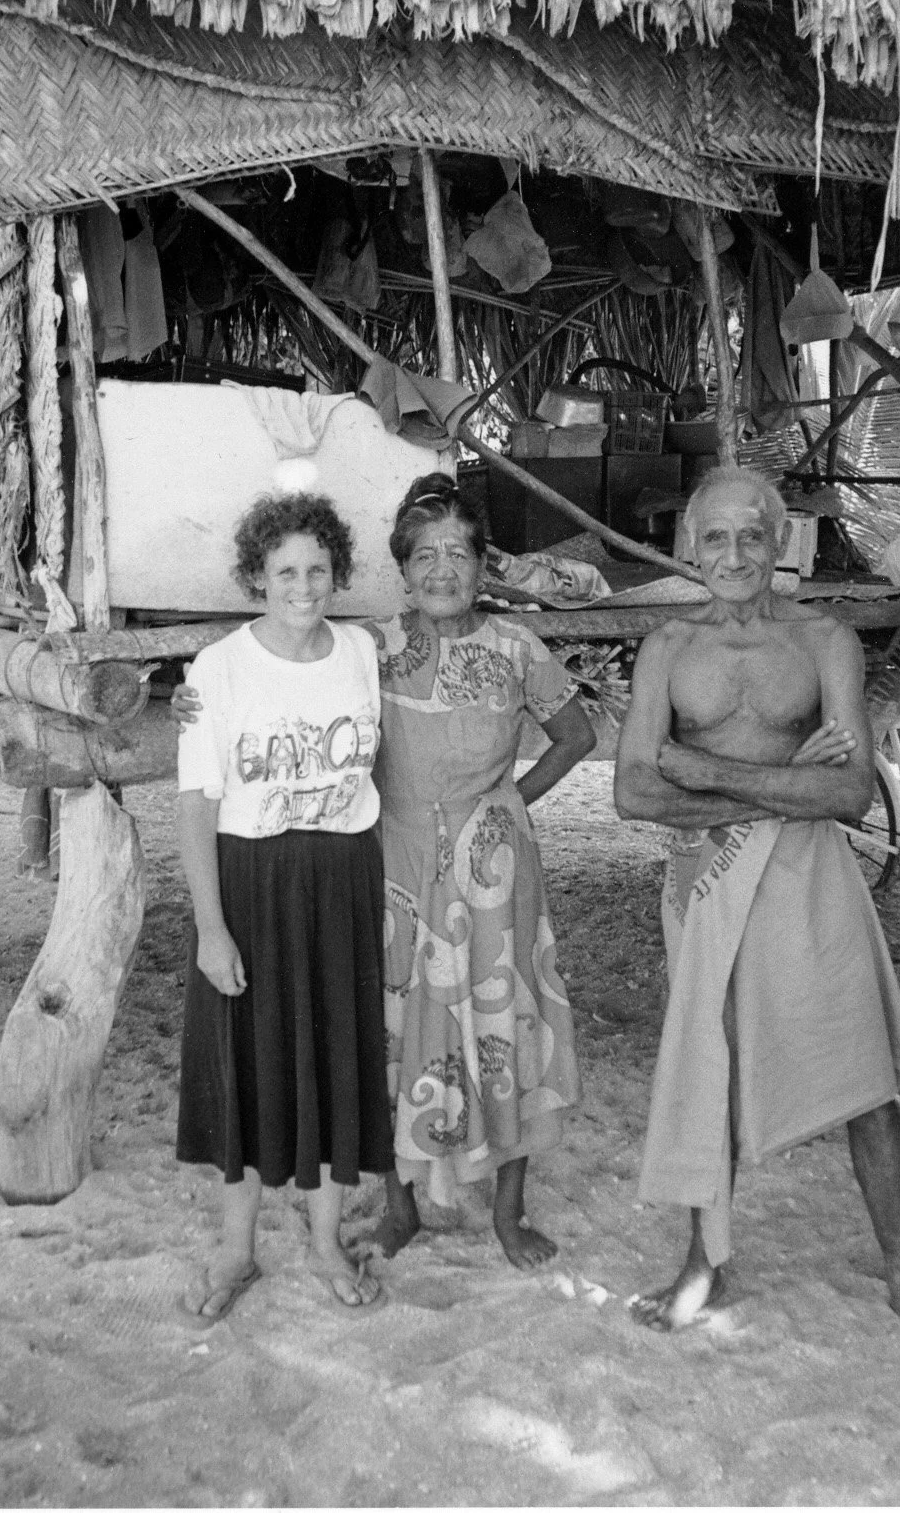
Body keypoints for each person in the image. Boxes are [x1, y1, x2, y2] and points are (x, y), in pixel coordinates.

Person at [613, 466, 900, 1361]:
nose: (734, 553)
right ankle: (704, 1266)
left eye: (753, 535)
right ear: (689, 547)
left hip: (810, 881)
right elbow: (633, 792)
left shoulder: (825, 640)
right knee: (713, 1068)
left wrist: (708, 772)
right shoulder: (667, 646)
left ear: (781, 543)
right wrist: (790, 785)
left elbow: (852, 792)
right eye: (715, 537)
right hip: (707, 882)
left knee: (865, 1080)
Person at [366, 472, 595, 1267]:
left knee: (504, 1028)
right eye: (424, 554)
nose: (440, 570)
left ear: (480, 563)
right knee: (392, 1028)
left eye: (457, 553)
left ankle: (507, 1213)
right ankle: (398, 1208)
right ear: (401, 566)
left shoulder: (514, 648)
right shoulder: (371, 650)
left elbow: (577, 736)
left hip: (495, 874)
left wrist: (509, 804)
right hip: (393, 862)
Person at [174, 492, 391, 1321]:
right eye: (283, 572)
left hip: (342, 877)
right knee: (247, 1062)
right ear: (254, 580)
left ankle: (327, 1240)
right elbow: (195, 802)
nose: (302, 586)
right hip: (252, 882)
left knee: (338, 1054)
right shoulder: (218, 669)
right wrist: (210, 927)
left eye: (317, 570)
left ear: (336, 574)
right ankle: (237, 1250)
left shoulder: (361, 651)